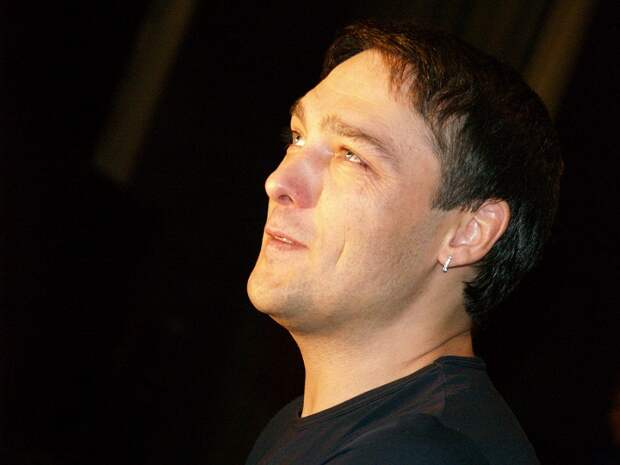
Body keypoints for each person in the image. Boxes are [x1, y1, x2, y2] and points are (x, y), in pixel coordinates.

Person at [245, 20, 562, 465]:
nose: (278, 181)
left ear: (468, 232)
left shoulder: (423, 452)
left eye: (352, 155)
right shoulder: (302, 424)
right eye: (297, 137)